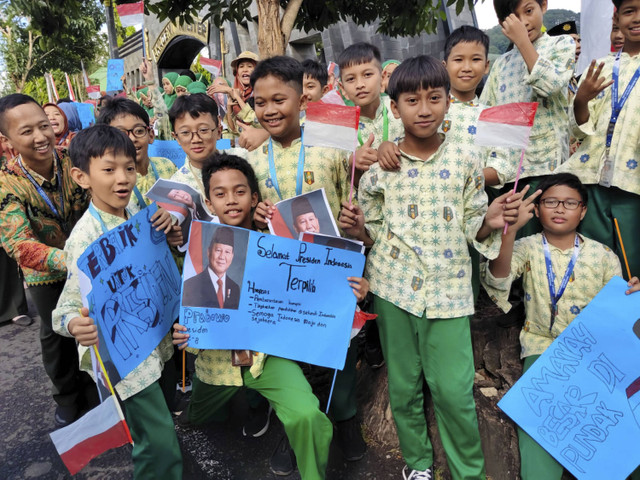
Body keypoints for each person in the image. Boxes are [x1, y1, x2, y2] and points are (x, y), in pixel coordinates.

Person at [338, 55, 526, 480]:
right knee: (404, 387)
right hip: (393, 287)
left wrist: (490, 221)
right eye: (412, 100)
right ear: (395, 107)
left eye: (434, 98)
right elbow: (372, 233)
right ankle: (418, 464)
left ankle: (469, 472)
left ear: (446, 103)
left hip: (449, 292)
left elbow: (473, 226)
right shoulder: (381, 167)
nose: (424, 109)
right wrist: (359, 227)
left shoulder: (464, 160)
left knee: (453, 391)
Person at [174, 151, 367, 480]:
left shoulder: (279, 244)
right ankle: (197, 413)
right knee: (195, 418)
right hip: (216, 367)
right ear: (208, 200)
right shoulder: (196, 248)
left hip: (267, 359)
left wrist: (351, 291)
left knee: (307, 415)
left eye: (239, 191)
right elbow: (188, 313)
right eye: (220, 194)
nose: (231, 200)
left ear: (254, 197)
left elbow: (314, 286)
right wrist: (183, 333)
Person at [481, 173, 640, 479]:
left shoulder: (604, 255)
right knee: (540, 428)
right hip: (545, 350)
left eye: (570, 203)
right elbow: (497, 281)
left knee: (616, 426)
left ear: (583, 211)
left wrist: (632, 294)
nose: (559, 208)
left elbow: (618, 314)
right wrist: (509, 234)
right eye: (550, 201)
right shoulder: (526, 247)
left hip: (598, 355)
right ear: (537, 209)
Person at [248, 56, 366, 466]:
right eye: (259, 102)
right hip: (281, 277)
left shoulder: (331, 148)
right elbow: (242, 215)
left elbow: (352, 199)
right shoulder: (252, 160)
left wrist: (356, 221)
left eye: (279, 99)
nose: (269, 109)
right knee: (291, 350)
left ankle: (345, 418)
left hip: (331, 270)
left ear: (302, 98)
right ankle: (293, 428)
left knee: (340, 349)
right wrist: (255, 213)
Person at [51, 124, 180, 479]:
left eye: (129, 167)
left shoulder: (138, 209)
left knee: (155, 436)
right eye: (108, 170)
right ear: (81, 176)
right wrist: (75, 324)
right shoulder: (84, 239)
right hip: (126, 361)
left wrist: (166, 221)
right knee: (161, 443)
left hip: (157, 342)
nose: (123, 178)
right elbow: (62, 311)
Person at [0, 93, 95, 427]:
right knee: (56, 333)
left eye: (44, 126)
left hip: (91, 257)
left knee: (93, 323)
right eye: (26, 131)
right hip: (45, 271)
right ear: (7, 140)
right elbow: (18, 243)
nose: (40, 136)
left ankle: (95, 385)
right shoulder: (6, 182)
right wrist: (70, 259)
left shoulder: (75, 158)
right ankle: (67, 396)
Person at [555, 0, 640, 280]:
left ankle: (628, 321)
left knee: (631, 264)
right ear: (617, 16)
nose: (636, 18)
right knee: (592, 260)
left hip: (633, 184)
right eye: (629, 11)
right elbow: (579, 130)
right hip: (590, 180)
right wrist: (581, 100)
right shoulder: (600, 66)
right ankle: (590, 320)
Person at [481, 0, 576, 236]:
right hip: (508, 176)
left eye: (529, 11)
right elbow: (485, 118)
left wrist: (523, 42)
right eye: (512, 18)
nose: (523, 22)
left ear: (544, 5)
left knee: (549, 245)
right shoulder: (501, 65)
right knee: (513, 247)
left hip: (549, 171)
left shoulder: (561, 44)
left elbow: (551, 85)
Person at [338, 43, 404, 181]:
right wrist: (352, 161)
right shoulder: (339, 128)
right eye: (351, 79)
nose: (360, 84)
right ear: (342, 88)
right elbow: (340, 181)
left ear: (383, 78)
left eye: (367, 74)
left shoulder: (401, 110)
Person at [96, 97, 177, 209]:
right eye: (122, 134)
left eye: (139, 131)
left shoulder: (167, 166)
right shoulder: (112, 186)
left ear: (151, 135)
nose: (132, 139)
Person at [182, 226, 241, 309]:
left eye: (227, 252)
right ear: (209, 252)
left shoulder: (235, 289)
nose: (222, 256)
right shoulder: (191, 285)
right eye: (218, 250)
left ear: (232, 256)